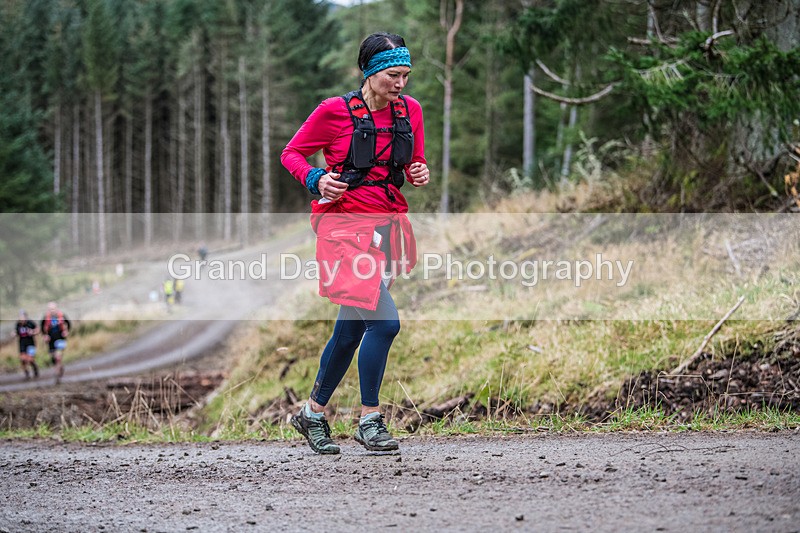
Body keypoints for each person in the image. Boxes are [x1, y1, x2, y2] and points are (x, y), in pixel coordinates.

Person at [281, 32, 430, 454]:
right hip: (344, 231)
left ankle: (311, 414)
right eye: (392, 75)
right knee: (384, 324)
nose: (400, 83)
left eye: (405, 75)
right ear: (369, 72)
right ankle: (370, 419)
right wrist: (315, 178)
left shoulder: (411, 110)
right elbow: (291, 153)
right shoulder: (334, 111)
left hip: (385, 228)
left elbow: (412, 160)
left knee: (350, 330)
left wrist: (419, 170)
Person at [40, 302, 71, 383]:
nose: (52, 311)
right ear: (48, 310)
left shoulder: (62, 315)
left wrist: (67, 331)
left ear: (56, 308)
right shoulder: (46, 317)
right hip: (51, 340)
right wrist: (45, 336)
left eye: (53, 309)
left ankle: (57, 374)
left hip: (60, 338)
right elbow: (42, 328)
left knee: (58, 356)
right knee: (53, 358)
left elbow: (68, 323)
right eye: (50, 309)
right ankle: (60, 367)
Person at [15, 310, 39, 379]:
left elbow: (37, 329)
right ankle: (27, 373)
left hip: (30, 343)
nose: (21, 319)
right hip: (22, 344)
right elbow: (16, 332)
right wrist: (14, 333)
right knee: (22, 359)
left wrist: (33, 332)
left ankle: (35, 368)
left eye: (23, 317)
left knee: (30, 359)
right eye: (20, 317)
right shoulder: (18, 324)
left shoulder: (30, 323)